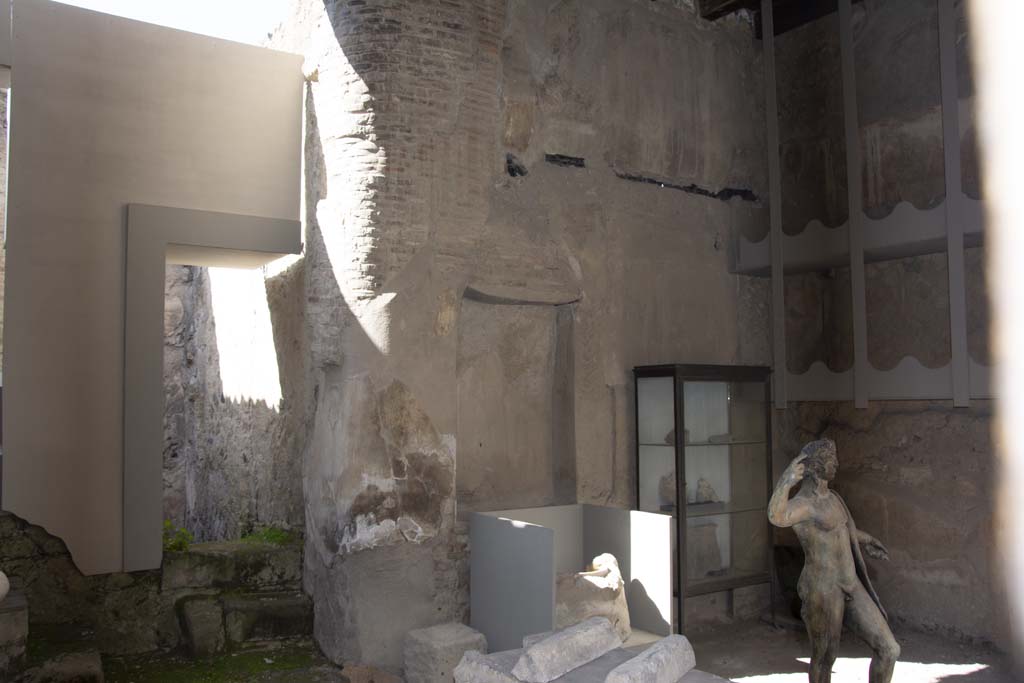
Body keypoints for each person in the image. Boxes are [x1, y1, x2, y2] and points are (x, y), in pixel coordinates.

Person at [768, 439, 900, 683]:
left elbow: (840, 531)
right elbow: (777, 516)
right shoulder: (804, 505)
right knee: (824, 659)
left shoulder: (834, 498)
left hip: (850, 584)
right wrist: (786, 481)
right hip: (823, 589)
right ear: (815, 467)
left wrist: (866, 539)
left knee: (889, 649)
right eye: (831, 460)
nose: (836, 464)